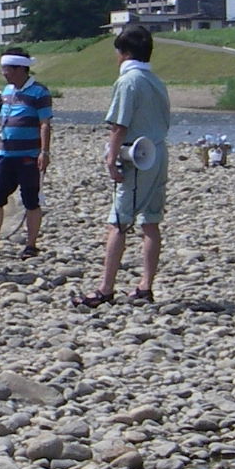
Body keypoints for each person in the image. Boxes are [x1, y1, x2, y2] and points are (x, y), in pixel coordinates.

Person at [79, 22, 173, 308]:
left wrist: (111, 159)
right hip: (158, 153)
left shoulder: (128, 81)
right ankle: (145, 286)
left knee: (118, 223)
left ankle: (105, 288)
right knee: (151, 221)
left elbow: (119, 124)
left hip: (137, 156)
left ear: (125, 52)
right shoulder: (157, 81)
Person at [0, 52, 53, 258]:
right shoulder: (5, 92)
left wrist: (44, 152)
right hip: (5, 155)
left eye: (7, 69)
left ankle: (31, 245)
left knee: (31, 200)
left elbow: (45, 124)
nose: (4, 74)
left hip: (28, 156)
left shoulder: (39, 92)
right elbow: (4, 122)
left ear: (20, 69)